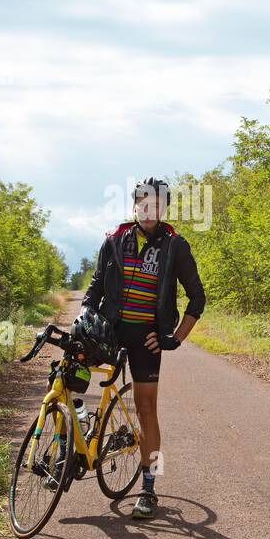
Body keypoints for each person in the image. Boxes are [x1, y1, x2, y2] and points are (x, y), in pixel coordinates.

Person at [81, 177, 205, 518]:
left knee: (147, 410)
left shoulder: (175, 246)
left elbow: (198, 297)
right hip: (109, 331)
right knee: (71, 373)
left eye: (156, 205)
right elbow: (94, 289)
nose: (148, 210)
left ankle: (149, 488)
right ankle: (68, 448)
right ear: (134, 206)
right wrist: (85, 316)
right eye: (143, 204)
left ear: (164, 209)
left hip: (146, 338)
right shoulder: (115, 240)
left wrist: (174, 338)